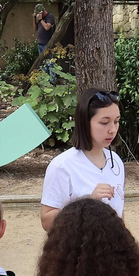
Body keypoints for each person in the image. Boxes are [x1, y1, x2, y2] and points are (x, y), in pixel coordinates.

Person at [40, 89, 124, 230]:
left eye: (116, 121)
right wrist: (87, 202)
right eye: (104, 123)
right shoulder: (62, 166)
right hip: (77, 249)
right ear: (85, 123)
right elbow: (46, 222)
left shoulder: (116, 162)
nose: (113, 130)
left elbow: (120, 215)